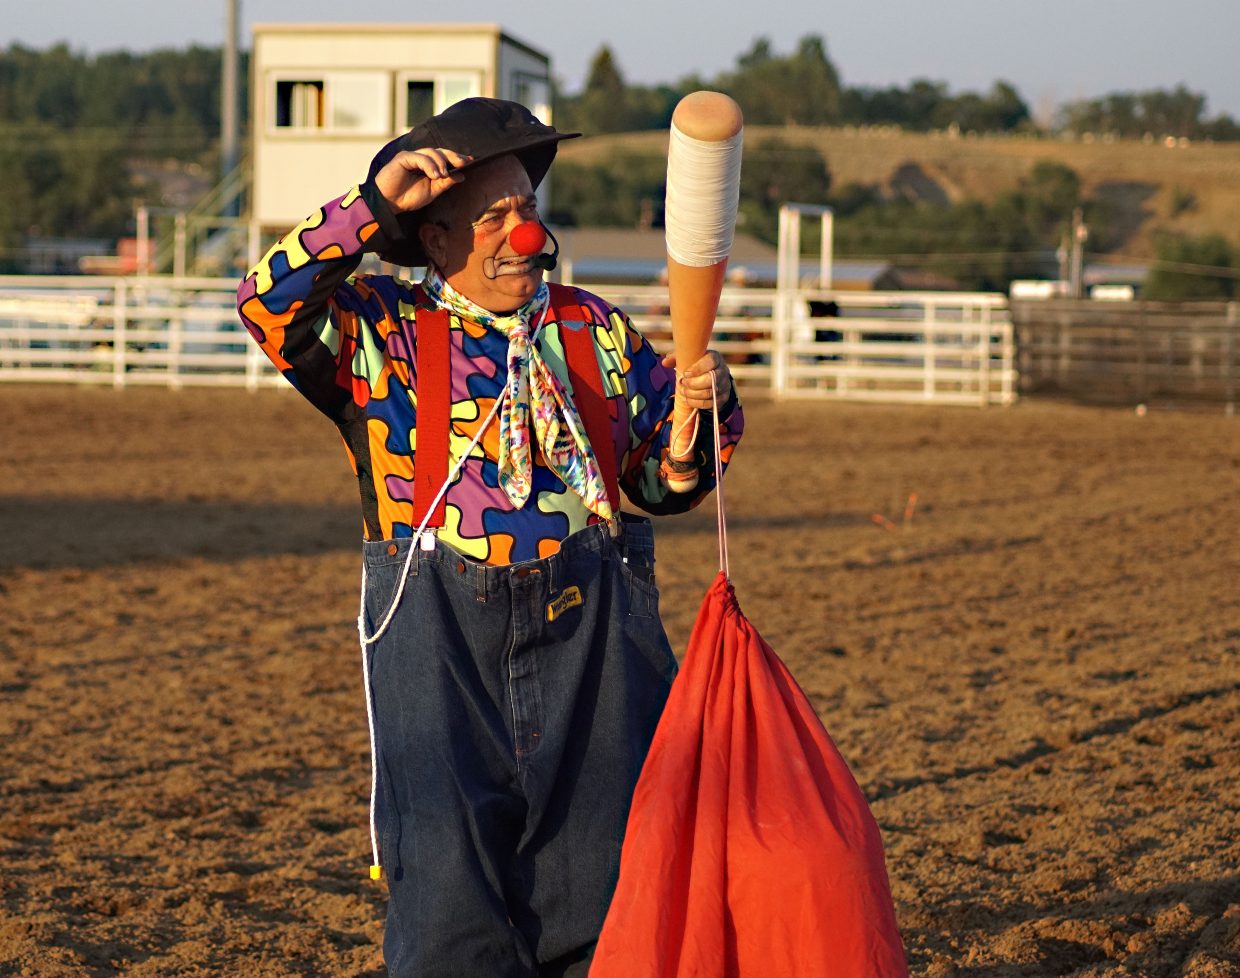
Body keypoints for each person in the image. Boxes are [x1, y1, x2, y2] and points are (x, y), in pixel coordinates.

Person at [236, 98, 743, 978]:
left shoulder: (595, 332)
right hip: (440, 647)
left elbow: (664, 483)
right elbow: (266, 303)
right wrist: (372, 201)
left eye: (527, 211)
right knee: (447, 897)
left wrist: (703, 410)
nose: (524, 236)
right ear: (434, 241)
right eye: (491, 217)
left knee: (603, 882)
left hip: (596, 641)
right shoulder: (378, 330)